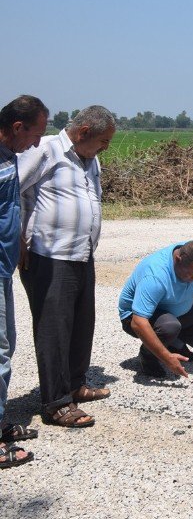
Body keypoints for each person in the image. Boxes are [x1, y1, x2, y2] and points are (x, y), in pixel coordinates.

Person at [18, 105, 115, 428]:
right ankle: (57, 403)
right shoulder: (45, 151)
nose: (106, 148)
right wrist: (19, 238)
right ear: (84, 132)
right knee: (54, 331)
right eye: (103, 141)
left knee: (80, 325)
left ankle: (76, 384)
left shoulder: (91, 159)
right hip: (49, 255)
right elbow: (11, 191)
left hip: (81, 253)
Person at [0, 96, 47, 469]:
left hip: (3, 268)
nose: (36, 144)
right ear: (18, 127)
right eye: (34, 135)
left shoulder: (9, 156)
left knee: (7, 344)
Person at [119, 240, 193, 378]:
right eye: (190, 274)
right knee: (169, 326)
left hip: (173, 308)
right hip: (135, 317)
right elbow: (138, 322)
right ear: (177, 259)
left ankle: (176, 345)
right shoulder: (155, 276)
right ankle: (148, 357)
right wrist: (166, 357)